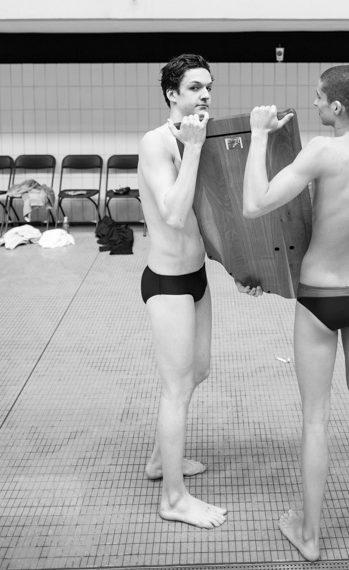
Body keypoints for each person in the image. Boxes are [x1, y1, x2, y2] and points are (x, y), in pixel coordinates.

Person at [242, 65, 349, 561]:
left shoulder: (322, 151)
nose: (312, 105)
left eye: (318, 98)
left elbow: (254, 204)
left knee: (316, 419)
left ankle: (309, 535)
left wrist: (257, 136)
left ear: (337, 107)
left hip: (321, 297)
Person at [137, 53, 260, 529]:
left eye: (208, 86)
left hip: (197, 277)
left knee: (198, 371)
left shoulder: (199, 138)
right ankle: (173, 497)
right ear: (172, 94)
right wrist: (191, 148)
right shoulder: (156, 142)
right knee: (176, 389)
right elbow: (171, 211)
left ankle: (157, 460)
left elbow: (210, 218)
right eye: (194, 87)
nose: (205, 94)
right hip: (167, 281)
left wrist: (240, 267)